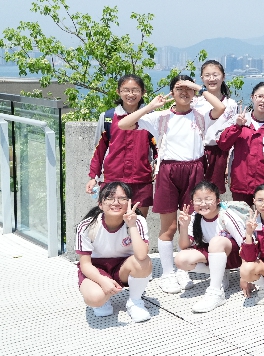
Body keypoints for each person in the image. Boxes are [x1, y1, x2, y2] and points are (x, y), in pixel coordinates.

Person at [117, 74, 226, 295]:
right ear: (172, 92)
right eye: (179, 88)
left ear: (194, 92)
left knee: (189, 223)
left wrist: (198, 87)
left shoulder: (200, 114)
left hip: (195, 169)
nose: (184, 92)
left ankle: (183, 269)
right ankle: (167, 273)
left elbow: (220, 107)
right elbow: (123, 124)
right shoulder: (161, 116)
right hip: (168, 170)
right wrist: (150, 106)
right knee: (169, 227)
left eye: (188, 89)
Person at [75, 182, 153, 322]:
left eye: (122, 198)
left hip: (123, 268)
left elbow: (142, 255)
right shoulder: (87, 225)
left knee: (144, 262)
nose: (116, 203)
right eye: (110, 198)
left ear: (129, 202)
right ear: (100, 204)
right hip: (96, 269)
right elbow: (85, 264)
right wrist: (102, 281)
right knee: (95, 299)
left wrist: (132, 225)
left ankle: (135, 301)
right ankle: (103, 298)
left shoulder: (138, 221)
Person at [86, 74, 154, 216]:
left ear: (143, 92)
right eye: (126, 90)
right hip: (113, 179)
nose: (131, 94)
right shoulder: (108, 117)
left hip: (141, 180)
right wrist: (93, 177)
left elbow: (158, 148)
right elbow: (99, 150)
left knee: (139, 222)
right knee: (113, 221)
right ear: (118, 92)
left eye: (135, 90)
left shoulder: (151, 117)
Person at [173, 181, 246, 313]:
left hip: (235, 256)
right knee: (180, 260)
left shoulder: (226, 216)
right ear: (192, 202)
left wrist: (246, 276)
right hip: (215, 255)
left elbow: (245, 243)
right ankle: (220, 275)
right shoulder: (194, 217)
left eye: (208, 199)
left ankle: (216, 292)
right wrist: (183, 227)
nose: (203, 203)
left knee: (216, 242)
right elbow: (184, 246)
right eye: (198, 200)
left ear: (218, 200)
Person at [217, 82, 264, 203]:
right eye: (259, 96)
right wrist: (237, 126)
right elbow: (223, 144)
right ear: (252, 97)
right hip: (240, 182)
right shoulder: (239, 120)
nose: (263, 100)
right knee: (241, 214)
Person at [195, 60, 238, 194]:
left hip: (221, 153)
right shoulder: (195, 103)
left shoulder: (231, 104)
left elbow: (234, 135)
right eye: (207, 75)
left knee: (215, 193)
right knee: (196, 191)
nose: (211, 79)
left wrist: (228, 162)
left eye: (215, 75)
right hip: (198, 151)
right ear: (202, 78)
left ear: (223, 77)